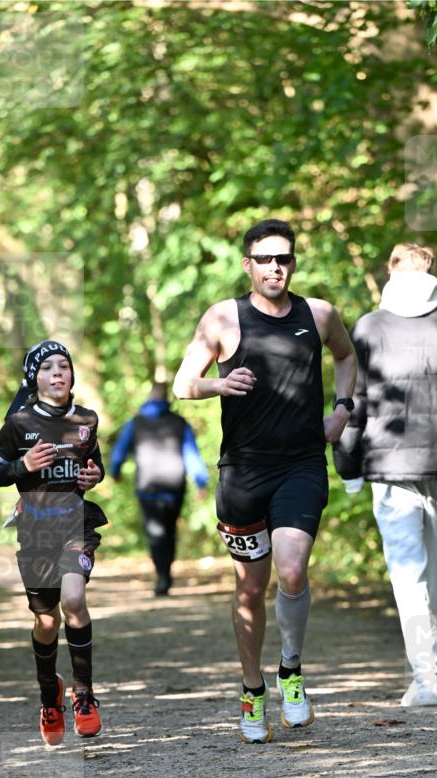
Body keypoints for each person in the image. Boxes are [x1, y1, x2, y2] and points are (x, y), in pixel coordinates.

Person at [173, 218, 356, 743]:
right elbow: (184, 384)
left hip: (301, 464)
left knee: (293, 571)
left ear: (294, 263)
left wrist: (341, 411)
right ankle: (252, 690)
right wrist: (220, 384)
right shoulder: (223, 318)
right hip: (244, 471)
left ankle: (291, 674)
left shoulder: (318, 314)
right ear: (247, 264)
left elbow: (346, 357)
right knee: (251, 588)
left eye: (285, 259)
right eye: (266, 259)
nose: (276, 267)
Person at [334, 242, 437, 708]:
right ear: (431, 272)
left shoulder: (367, 328)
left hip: (388, 468)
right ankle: (432, 671)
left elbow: (353, 401)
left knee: (409, 574)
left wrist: (348, 465)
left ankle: (425, 678)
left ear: (390, 273)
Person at [0, 340, 106, 747]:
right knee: (47, 620)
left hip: (74, 524)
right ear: (34, 378)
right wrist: (24, 466)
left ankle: (83, 694)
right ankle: (49, 697)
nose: (58, 372)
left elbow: (95, 464)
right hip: (35, 531)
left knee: (73, 601)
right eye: (48, 367)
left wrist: (93, 477)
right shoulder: (18, 423)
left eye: (64, 365)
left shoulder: (86, 419)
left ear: (72, 374)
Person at [110, 382, 208, 595]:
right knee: (169, 530)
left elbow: (120, 450)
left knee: (155, 532)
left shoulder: (135, 423)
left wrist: (115, 471)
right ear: (167, 399)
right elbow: (191, 455)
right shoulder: (180, 423)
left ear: (149, 397)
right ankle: (166, 571)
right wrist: (201, 482)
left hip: (148, 485)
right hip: (174, 486)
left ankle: (162, 574)